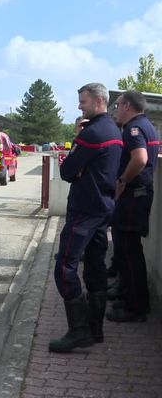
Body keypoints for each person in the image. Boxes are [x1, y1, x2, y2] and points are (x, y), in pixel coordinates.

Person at [48, 83, 122, 353]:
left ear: (99, 101)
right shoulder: (114, 130)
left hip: (85, 209)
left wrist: (76, 167)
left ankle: (79, 331)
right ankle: (95, 329)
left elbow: (68, 171)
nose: (79, 106)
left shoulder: (92, 133)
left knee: (65, 266)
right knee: (95, 265)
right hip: (103, 207)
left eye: (83, 101)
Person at [106, 90, 159, 322]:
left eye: (116, 105)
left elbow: (140, 158)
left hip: (133, 196)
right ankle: (130, 297)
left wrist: (122, 180)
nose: (115, 109)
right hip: (139, 196)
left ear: (127, 105)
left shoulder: (133, 129)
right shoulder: (146, 125)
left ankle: (136, 308)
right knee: (129, 251)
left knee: (129, 252)